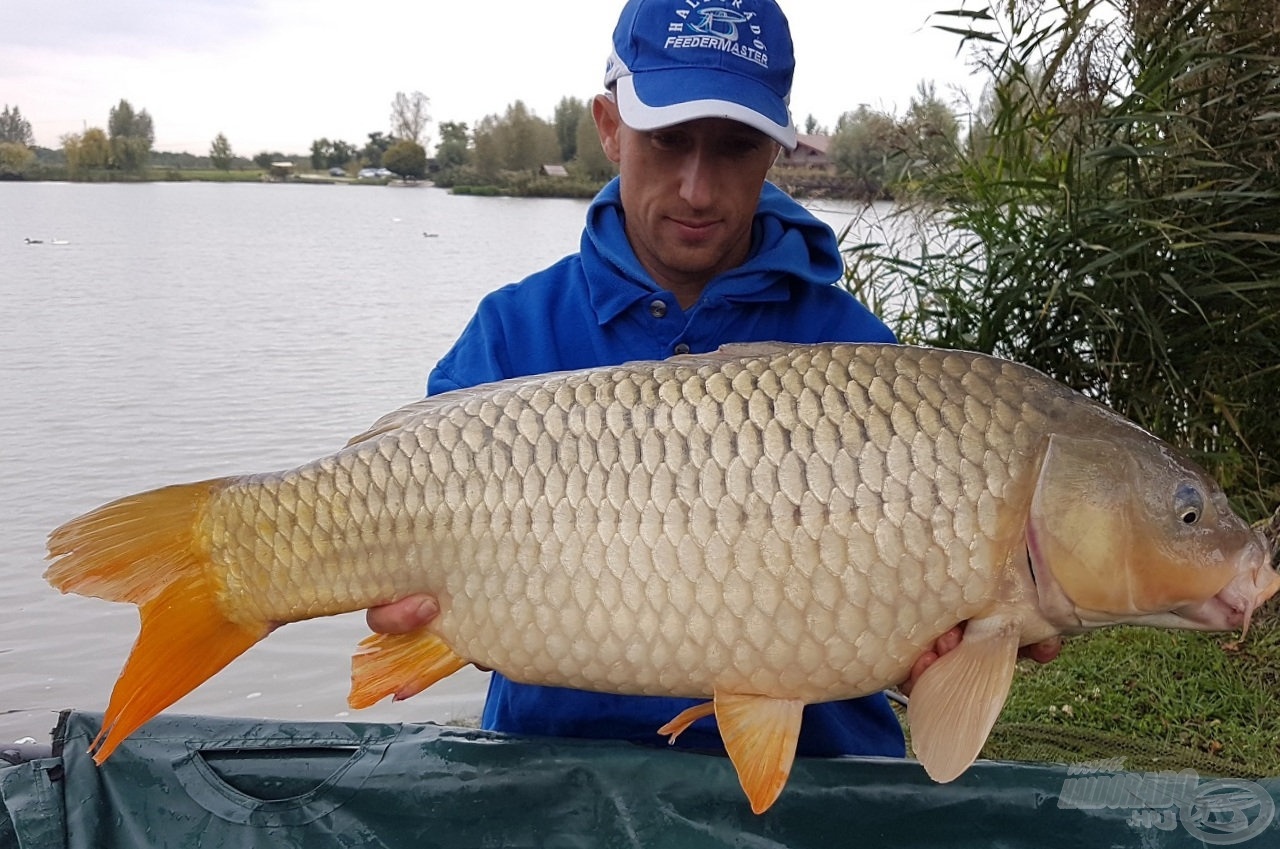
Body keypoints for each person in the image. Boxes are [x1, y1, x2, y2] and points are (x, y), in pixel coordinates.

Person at [367, 0, 1059, 761]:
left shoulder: (856, 355)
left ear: (774, 150)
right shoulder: (513, 335)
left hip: (818, 779)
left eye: (733, 146)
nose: (697, 188)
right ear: (609, 126)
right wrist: (411, 603)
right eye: (667, 139)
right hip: (557, 775)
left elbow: (906, 655)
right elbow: (414, 594)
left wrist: (927, 656)